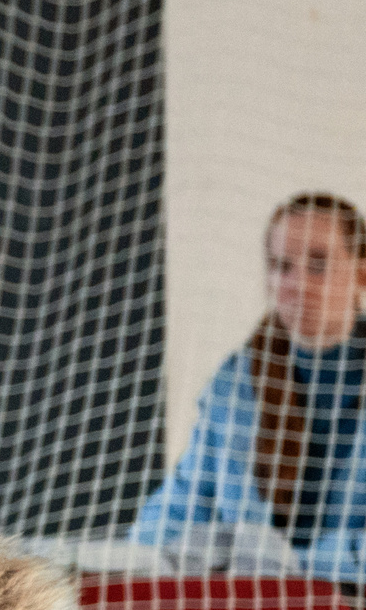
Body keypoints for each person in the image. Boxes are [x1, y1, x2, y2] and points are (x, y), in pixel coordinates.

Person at [133, 193, 366, 576]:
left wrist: (290, 566)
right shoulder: (235, 383)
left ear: (360, 272)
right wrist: (137, 555)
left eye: (319, 264)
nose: (296, 284)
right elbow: (187, 497)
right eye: (281, 265)